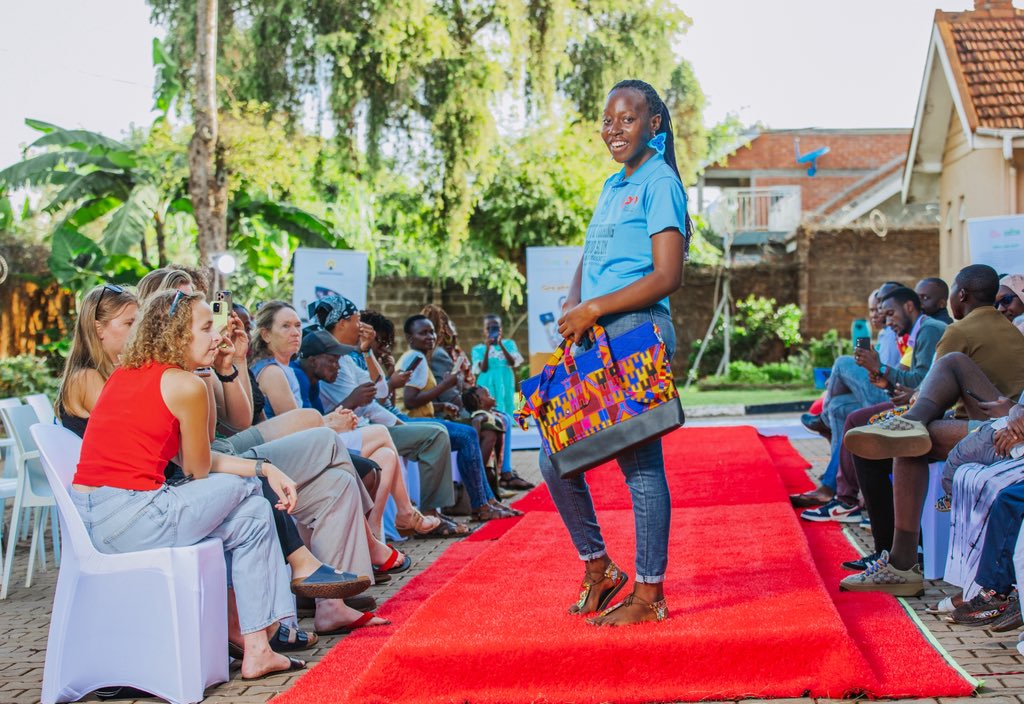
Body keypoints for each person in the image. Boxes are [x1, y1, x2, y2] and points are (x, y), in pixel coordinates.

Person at [70, 289, 305, 680]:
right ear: (178, 336)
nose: (218, 337)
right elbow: (198, 471)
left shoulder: (128, 373)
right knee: (246, 493)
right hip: (132, 516)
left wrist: (264, 469)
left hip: (100, 520)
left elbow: (189, 461)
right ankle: (275, 624)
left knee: (252, 513)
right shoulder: (184, 384)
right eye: (206, 328)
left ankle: (259, 649)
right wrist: (261, 472)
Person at [542, 79, 686, 627]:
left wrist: (595, 308)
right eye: (607, 120)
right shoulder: (612, 183)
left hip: (637, 331)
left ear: (653, 124)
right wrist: (577, 306)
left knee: (640, 465)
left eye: (627, 119)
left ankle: (649, 595)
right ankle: (599, 568)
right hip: (597, 332)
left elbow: (667, 275)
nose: (614, 129)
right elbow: (591, 252)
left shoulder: (660, 181)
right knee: (554, 458)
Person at [842, 264, 1024, 595]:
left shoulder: (959, 331)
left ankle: (900, 564)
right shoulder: (1013, 331)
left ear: (961, 295)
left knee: (905, 442)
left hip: (997, 434)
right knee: (907, 439)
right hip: (992, 422)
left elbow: (930, 387)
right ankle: (900, 562)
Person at [800, 287, 947, 524]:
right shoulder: (909, 333)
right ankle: (837, 491)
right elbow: (911, 379)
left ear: (909, 306)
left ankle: (848, 500)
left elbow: (920, 382)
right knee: (839, 407)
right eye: (878, 312)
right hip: (900, 396)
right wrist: (884, 378)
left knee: (843, 365)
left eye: (889, 313)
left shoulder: (928, 329)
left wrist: (881, 369)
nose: (886, 320)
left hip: (920, 407)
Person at [293, 330, 446, 538]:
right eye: (332, 360)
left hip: (330, 440)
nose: (337, 366)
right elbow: (303, 428)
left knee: (387, 457)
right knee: (382, 432)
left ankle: (373, 533)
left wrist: (367, 353)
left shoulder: (316, 380)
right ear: (312, 360)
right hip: (306, 453)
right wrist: (347, 406)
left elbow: (380, 391)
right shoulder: (297, 376)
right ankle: (405, 512)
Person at [399, 314, 519, 521]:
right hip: (411, 422)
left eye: (431, 331)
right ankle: (481, 503)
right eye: (423, 333)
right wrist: (445, 386)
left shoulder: (418, 357)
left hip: (420, 418)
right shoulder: (416, 358)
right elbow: (409, 401)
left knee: (471, 432)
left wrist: (441, 403)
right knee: (467, 434)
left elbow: (412, 398)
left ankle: (486, 500)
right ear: (410, 338)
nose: (430, 336)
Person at [471, 314, 523, 417]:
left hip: (505, 379)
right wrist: (487, 348)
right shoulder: (478, 349)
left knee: (506, 398)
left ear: (501, 329)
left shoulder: (509, 344)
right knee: (490, 401)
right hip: (487, 381)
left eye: (495, 327)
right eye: (488, 328)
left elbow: (512, 363)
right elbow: (483, 368)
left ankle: (508, 420)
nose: (492, 330)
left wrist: (501, 345)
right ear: (484, 330)